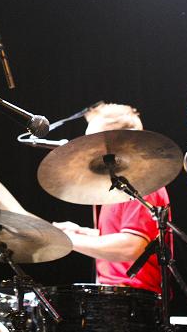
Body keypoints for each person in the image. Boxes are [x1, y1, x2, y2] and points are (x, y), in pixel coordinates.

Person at [52, 102, 170, 294]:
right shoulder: (117, 187)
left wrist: (68, 240)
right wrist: (81, 232)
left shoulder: (142, 185)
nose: (85, 149)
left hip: (135, 298)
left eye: (92, 142)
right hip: (115, 295)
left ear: (119, 143)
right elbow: (118, 234)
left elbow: (131, 246)